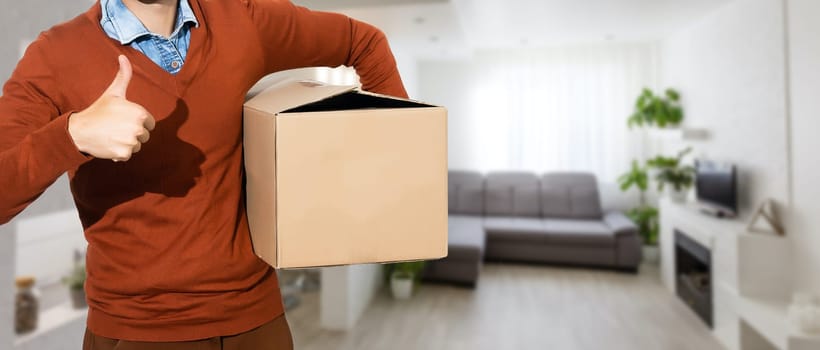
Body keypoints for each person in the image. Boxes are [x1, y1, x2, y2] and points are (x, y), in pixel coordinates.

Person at [0, 0, 407, 348]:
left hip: (257, 324)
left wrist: (390, 171)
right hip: (138, 331)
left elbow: (364, 42)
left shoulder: (240, 18)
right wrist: (71, 135)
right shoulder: (54, 55)